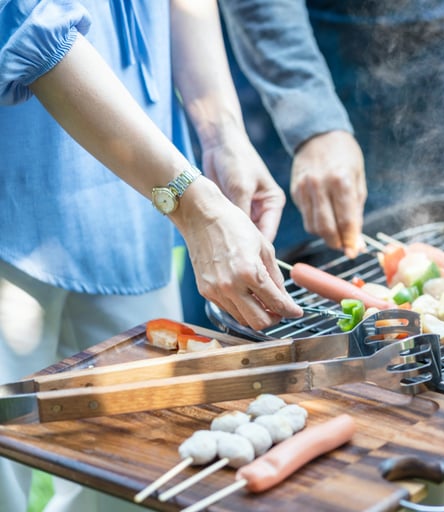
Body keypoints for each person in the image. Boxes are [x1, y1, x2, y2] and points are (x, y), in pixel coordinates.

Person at [0, 1, 301, 510]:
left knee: (142, 467)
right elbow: (30, 24)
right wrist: (194, 206)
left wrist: (222, 134)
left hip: (135, 194)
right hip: (17, 202)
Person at [218, 0, 444, 261]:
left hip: (434, 48)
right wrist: (312, 122)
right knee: (263, 273)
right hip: (288, 48)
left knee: (440, 252)